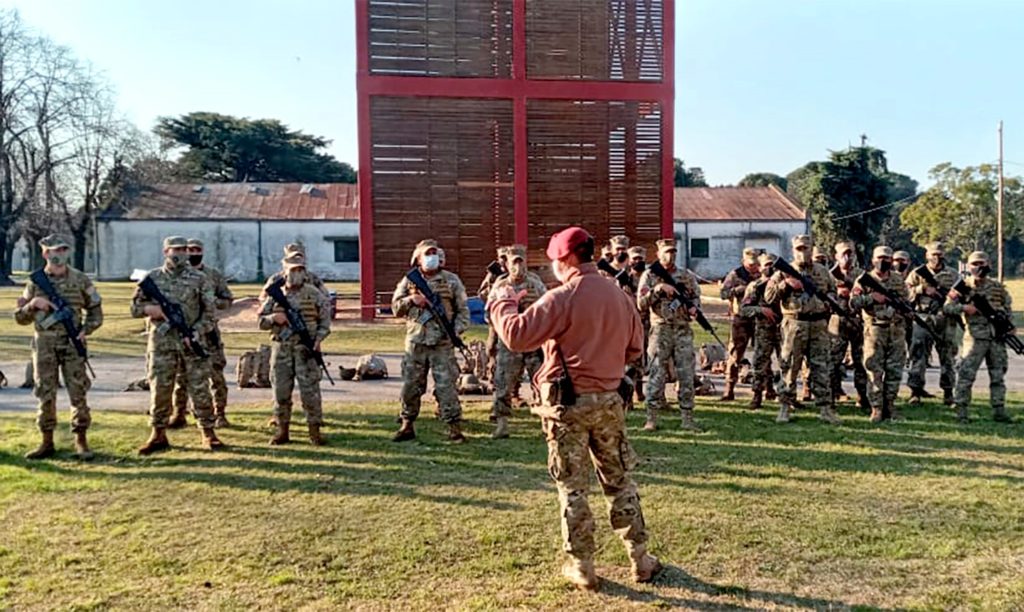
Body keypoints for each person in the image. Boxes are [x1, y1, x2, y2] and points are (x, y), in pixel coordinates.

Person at [488, 226, 660, 591]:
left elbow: (517, 336)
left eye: (554, 260)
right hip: (610, 401)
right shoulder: (619, 296)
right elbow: (635, 350)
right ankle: (640, 558)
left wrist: (501, 301)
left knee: (573, 488)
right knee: (619, 481)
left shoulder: (562, 297)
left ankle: (582, 566)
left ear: (565, 259)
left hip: (567, 406)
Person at [132, 236, 223, 454]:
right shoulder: (151, 279)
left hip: (191, 342)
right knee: (160, 388)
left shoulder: (200, 279)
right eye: (175, 249)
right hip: (161, 344)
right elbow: (134, 308)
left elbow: (210, 314)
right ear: (165, 252)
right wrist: (150, 310)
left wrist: (194, 332)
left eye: (183, 249)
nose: (180, 253)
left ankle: (208, 432)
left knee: (200, 387)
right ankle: (158, 433)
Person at [15, 234, 103, 460]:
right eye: (55, 250)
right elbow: (20, 318)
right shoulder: (35, 282)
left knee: (78, 392)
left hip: (73, 344)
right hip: (44, 345)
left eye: (64, 249)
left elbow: (96, 310)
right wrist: (33, 305)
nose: (60, 254)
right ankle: (46, 441)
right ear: (45, 253)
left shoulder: (80, 279)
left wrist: (86, 330)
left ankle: (81, 440)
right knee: (45, 392)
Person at [392, 239, 470, 443]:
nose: (431, 258)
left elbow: (463, 312)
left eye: (434, 253)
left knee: (446, 387)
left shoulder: (451, 281)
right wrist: (411, 300)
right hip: (416, 343)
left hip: (442, 344)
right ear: (418, 258)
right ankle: (407, 424)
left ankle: (454, 428)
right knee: (411, 385)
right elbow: (395, 308)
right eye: (427, 254)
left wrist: (455, 332)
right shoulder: (409, 281)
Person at [765, 235, 842, 425]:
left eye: (806, 248)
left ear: (811, 249)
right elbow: (768, 297)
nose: (802, 252)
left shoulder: (822, 272)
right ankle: (785, 407)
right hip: (794, 324)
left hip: (818, 325)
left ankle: (825, 409)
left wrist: (829, 302)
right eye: (799, 249)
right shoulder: (783, 273)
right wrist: (786, 285)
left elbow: (833, 291)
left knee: (821, 367)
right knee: (789, 367)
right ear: (793, 250)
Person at [259, 253, 332, 445]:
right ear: (285, 271)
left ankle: (314, 431)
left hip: (306, 351)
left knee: (311, 392)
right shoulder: (275, 294)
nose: (297, 273)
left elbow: (325, 321)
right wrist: (274, 319)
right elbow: (261, 321)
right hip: (281, 349)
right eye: (293, 270)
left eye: (300, 269)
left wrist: (318, 339)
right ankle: (282, 430)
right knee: (281, 391)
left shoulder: (313, 293)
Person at [638, 239, 702, 431]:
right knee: (656, 373)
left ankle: (687, 418)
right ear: (658, 254)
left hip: (682, 329)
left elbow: (696, 297)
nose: (670, 255)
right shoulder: (650, 275)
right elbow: (640, 304)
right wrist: (657, 291)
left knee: (686, 374)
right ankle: (651, 418)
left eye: (673, 252)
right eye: (666, 252)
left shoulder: (686, 275)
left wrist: (694, 309)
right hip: (661, 329)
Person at [169, 238, 234, 429]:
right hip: (184, 333)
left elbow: (227, 300)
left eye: (197, 250)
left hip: (209, 333)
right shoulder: (178, 275)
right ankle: (179, 413)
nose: (193, 253)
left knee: (216, 375)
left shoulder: (213, 275)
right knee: (181, 377)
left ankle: (220, 413)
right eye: (189, 250)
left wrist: (212, 302)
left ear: (203, 251)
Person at [946, 251, 1013, 423]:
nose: (979, 267)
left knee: (998, 375)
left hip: (996, 337)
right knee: (966, 375)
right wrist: (964, 309)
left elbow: (1007, 307)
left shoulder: (997, 287)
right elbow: (947, 308)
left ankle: (999, 411)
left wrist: (1008, 324)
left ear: (988, 264)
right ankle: (961, 412)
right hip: (975, 338)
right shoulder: (961, 287)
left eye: (982, 263)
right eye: (975, 264)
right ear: (969, 266)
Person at [488, 245, 546, 438]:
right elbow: (490, 314)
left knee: (541, 382)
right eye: (514, 262)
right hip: (509, 342)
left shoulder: (535, 283)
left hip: (533, 341)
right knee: (503, 382)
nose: (518, 267)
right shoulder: (501, 285)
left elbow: (548, 308)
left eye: (522, 262)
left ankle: (547, 422)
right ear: (508, 264)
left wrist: (532, 307)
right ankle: (502, 423)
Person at [850, 246, 909, 423]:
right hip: (874, 329)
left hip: (896, 329)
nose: (883, 261)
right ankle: (876, 408)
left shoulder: (898, 279)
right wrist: (871, 298)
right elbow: (853, 303)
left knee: (894, 370)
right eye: (880, 257)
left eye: (887, 258)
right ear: (873, 260)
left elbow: (906, 300)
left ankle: (890, 406)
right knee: (873, 370)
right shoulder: (863, 280)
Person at [905, 242, 959, 405]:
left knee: (947, 356)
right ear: (927, 255)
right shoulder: (917, 274)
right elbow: (904, 292)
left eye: (939, 254)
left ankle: (948, 392)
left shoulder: (953, 274)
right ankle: (915, 391)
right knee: (918, 355)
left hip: (945, 318)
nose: (936, 257)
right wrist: (921, 289)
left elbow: (962, 294)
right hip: (923, 318)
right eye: (933, 254)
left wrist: (953, 297)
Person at [829, 241, 869, 412]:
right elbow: (821, 294)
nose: (847, 257)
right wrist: (836, 294)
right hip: (837, 322)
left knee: (860, 361)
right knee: (833, 362)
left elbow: (869, 295)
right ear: (836, 256)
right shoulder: (829, 275)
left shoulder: (862, 275)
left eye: (850, 253)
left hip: (857, 321)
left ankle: (862, 396)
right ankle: (831, 397)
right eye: (843, 253)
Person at [740, 252, 781, 409]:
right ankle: (757, 395)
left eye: (772, 265)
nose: (770, 268)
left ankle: (786, 396)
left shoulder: (783, 284)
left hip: (782, 330)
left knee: (785, 363)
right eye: (766, 265)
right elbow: (744, 309)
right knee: (760, 364)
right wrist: (761, 310)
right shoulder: (755, 286)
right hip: (764, 330)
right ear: (759, 267)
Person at [719, 247, 760, 401]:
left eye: (755, 264)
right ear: (744, 262)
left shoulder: (764, 274)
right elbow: (723, 293)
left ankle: (767, 388)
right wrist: (739, 289)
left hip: (759, 319)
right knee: (735, 355)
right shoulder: (735, 275)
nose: (754, 268)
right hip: (741, 319)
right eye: (750, 265)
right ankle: (729, 389)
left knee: (763, 355)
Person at [626, 246, 649, 402]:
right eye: (635, 258)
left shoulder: (649, 279)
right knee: (631, 361)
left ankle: (641, 392)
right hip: (630, 325)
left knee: (647, 358)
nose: (638, 261)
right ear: (629, 260)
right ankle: (632, 393)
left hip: (647, 323)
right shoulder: (623, 279)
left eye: (641, 258)